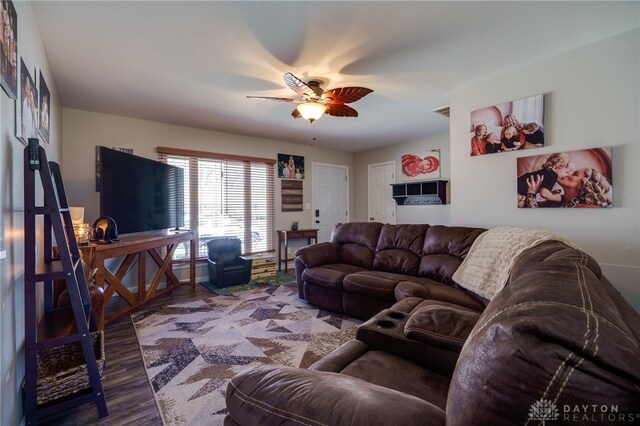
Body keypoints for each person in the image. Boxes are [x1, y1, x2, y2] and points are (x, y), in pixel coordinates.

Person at [521, 167, 611, 208]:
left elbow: (536, 218)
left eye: (575, 174)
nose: (568, 173)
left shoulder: (583, 209)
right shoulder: (559, 201)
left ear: (585, 185)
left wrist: (531, 192)